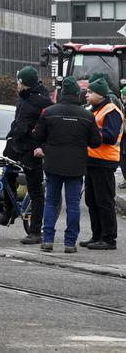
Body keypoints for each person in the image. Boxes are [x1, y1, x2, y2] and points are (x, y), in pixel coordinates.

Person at [32, 78, 101, 253]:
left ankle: (47, 240)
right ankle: (70, 243)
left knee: (51, 202)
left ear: (62, 94)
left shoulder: (49, 112)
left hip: (53, 164)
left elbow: (38, 136)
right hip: (76, 167)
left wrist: (46, 145)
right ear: (78, 94)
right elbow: (95, 143)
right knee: (73, 205)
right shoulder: (87, 115)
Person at [0, 66, 49, 243]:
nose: (16, 84)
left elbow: (48, 127)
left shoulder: (43, 101)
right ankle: (7, 212)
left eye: (18, 81)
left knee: (35, 190)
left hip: (31, 150)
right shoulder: (23, 98)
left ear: (23, 83)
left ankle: (35, 232)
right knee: (6, 177)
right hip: (15, 145)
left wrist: (42, 147)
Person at [81, 77, 122, 250]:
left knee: (104, 201)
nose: (87, 95)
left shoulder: (111, 111)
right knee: (91, 200)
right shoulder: (96, 110)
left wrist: (91, 131)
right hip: (92, 161)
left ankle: (108, 238)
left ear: (100, 94)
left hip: (104, 162)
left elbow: (111, 136)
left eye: (90, 92)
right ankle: (97, 235)